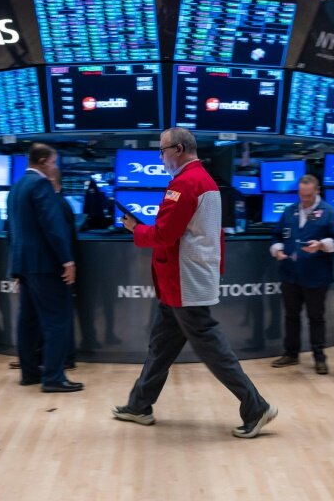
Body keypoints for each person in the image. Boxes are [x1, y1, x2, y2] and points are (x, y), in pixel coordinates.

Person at [113, 127, 277, 438]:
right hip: (188, 278)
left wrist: (135, 228)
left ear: (177, 149)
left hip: (183, 281)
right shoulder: (206, 181)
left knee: (213, 349)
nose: (160, 158)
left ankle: (256, 408)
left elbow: (164, 235)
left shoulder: (185, 183)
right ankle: (139, 405)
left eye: (162, 151)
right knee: (161, 347)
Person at [7, 143, 82, 393]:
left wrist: (17, 266)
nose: (55, 167)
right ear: (41, 161)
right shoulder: (41, 185)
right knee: (57, 321)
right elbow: (53, 228)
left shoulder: (17, 187)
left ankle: (29, 373)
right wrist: (67, 261)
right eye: (53, 162)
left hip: (25, 265)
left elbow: (13, 231)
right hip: (46, 266)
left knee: (27, 320)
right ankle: (53, 377)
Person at [270, 174, 334, 375]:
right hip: (290, 274)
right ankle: (291, 354)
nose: (304, 199)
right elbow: (277, 236)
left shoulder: (331, 213)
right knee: (291, 316)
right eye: (301, 195)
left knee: (316, 317)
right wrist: (277, 250)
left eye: (308, 195)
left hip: (316, 276)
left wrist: (322, 245)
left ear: (317, 191)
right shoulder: (289, 211)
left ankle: (319, 357)